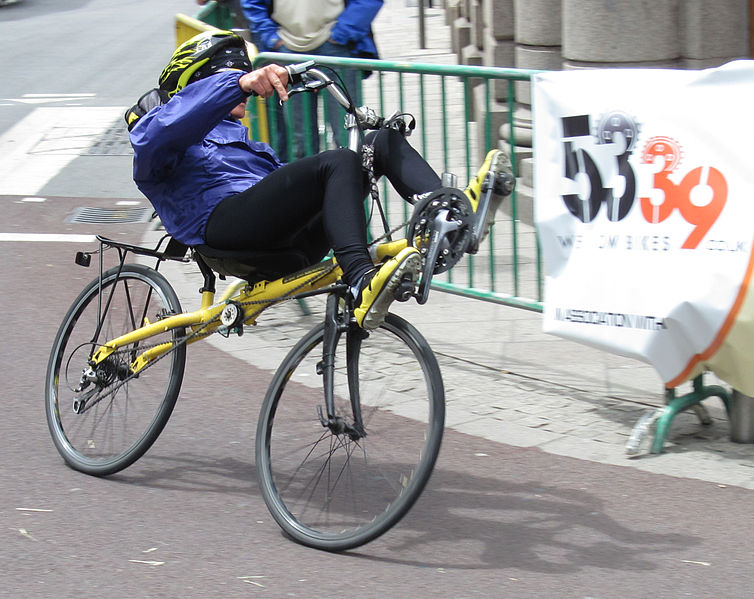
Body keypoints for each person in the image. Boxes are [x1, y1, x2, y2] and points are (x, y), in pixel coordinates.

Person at [127, 31, 508, 330]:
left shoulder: (239, 140)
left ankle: (455, 222)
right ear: (197, 85)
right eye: (230, 77)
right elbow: (164, 129)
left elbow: (281, 194)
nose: (244, 83)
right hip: (222, 233)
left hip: (283, 242)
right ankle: (362, 281)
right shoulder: (160, 139)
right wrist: (240, 84)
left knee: (379, 143)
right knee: (336, 162)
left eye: (244, 76)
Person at [240, 0, 382, 159]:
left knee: (349, 137)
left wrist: (342, 32)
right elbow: (252, 4)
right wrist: (271, 37)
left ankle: (351, 180)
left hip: (334, 46)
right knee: (301, 141)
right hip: (289, 49)